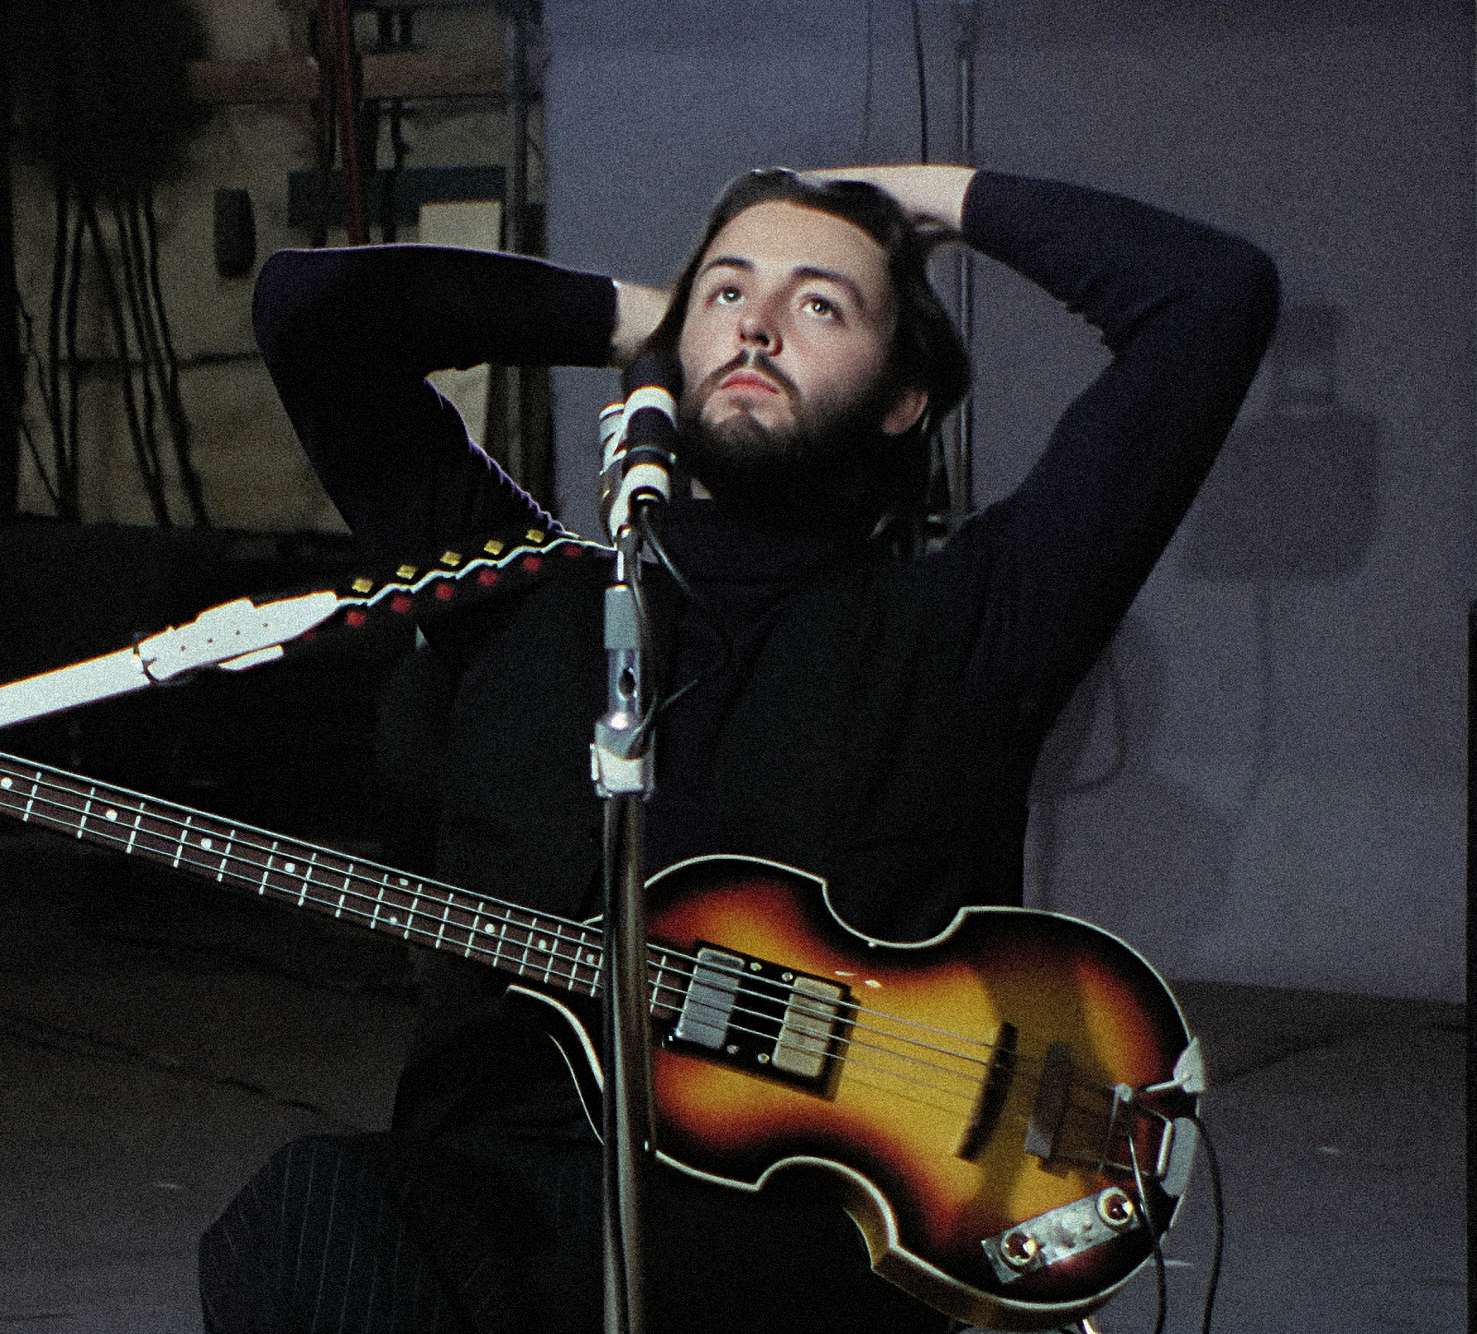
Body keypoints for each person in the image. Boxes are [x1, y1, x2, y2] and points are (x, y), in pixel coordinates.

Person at [196, 164, 1279, 1333]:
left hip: (813, 1231)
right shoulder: (514, 594)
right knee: (307, 1207)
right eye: (726, 292)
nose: (756, 322)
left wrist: (916, 196)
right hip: (504, 1199)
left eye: (821, 305)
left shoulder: (968, 626)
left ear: (903, 397)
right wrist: (638, 319)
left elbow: (1207, 300)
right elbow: (310, 313)